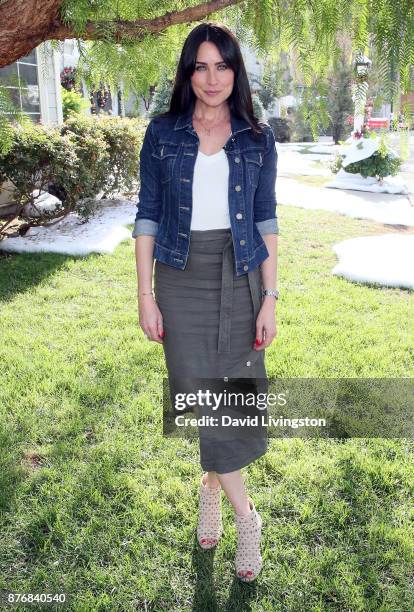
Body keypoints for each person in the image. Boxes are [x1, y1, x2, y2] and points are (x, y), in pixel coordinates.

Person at [132, 22, 279, 582]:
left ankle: (214, 493)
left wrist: (270, 296)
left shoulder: (256, 136)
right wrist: (145, 295)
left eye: (223, 66)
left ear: (236, 72)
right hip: (179, 272)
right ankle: (248, 516)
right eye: (201, 66)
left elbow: (266, 221)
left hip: (240, 274)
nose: (212, 78)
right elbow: (147, 216)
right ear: (187, 72)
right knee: (201, 394)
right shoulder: (163, 133)